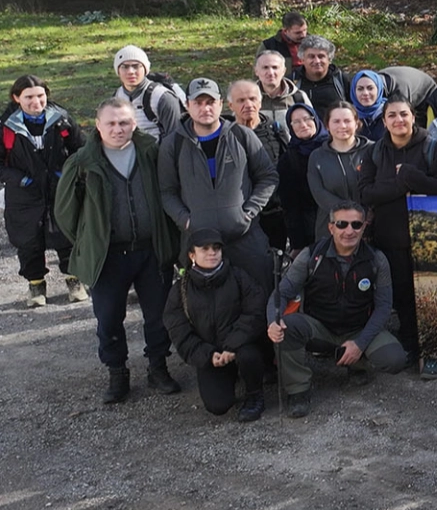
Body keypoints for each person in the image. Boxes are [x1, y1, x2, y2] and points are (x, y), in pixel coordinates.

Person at [56, 100, 182, 403]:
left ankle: (158, 367)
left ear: (134, 124)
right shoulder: (82, 162)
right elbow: (65, 213)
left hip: (152, 251)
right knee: (109, 317)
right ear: (97, 126)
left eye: (124, 122)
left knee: (158, 314)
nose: (118, 129)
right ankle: (117, 372)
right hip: (109, 256)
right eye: (111, 123)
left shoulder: (151, 152)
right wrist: (91, 240)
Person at [267, 203, 410, 418]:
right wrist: (273, 320)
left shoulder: (377, 260)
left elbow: (383, 308)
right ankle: (297, 390)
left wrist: (360, 344)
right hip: (319, 327)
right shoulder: (310, 256)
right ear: (331, 227)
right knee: (288, 327)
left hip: (358, 328)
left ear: (364, 227)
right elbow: (281, 292)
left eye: (356, 224)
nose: (349, 230)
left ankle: (358, 364)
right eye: (342, 224)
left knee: (394, 358)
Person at [358, 95, 437, 372]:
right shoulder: (374, 152)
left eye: (403, 114)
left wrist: (412, 175)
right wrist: (402, 184)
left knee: (432, 296)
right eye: (392, 116)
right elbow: (365, 193)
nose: (399, 120)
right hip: (391, 237)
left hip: (429, 238)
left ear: (414, 117)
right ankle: (411, 345)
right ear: (384, 121)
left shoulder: (431, 148)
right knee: (403, 297)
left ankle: (435, 349)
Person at [158, 78, 278, 290]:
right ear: (188, 105)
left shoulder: (242, 135)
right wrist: (186, 221)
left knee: (259, 300)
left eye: (210, 102)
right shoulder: (173, 144)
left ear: (221, 104)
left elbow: (268, 176)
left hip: (245, 237)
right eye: (198, 102)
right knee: (208, 311)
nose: (205, 108)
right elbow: (167, 191)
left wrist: (249, 212)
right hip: (199, 242)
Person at [162, 228, 268, 421]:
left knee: (249, 356)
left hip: (240, 347)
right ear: (192, 254)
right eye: (205, 249)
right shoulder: (181, 289)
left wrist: (233, 345)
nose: (212, 253)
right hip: (210, 355)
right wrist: (208, 355)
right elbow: (178, 330)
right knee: (218, 406)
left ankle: (255, 394)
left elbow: (256, 311)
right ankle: (229, 379)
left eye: (216, 248)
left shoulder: (238, 277)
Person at [3, 75, 85, 306]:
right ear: (16, 98)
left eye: (40, 96)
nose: (36, 102)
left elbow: (82, 150)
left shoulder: (62, 120)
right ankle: (36, 285)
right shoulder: (7, 126)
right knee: (28, 241)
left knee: (66, 234)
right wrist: (20, 179)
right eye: (28, 97)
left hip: (60, 190)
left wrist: (68, 174)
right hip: (23, 195)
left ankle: (74, 280)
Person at [226, 80, 287, 253]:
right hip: (239, 216)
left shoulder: (276, 131)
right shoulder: (224, 136)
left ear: (260, 102)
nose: (248, 105)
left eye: (253, 99)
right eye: (241, 100)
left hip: (275, 214)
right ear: (230, 105)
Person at [307, 102, 372, 222]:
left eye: (347, 121)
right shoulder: (317, 156)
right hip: (331, 225)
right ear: (327, 125)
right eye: (336, 121)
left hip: (370, 223)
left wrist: (365, 213)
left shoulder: (372, 151)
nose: (342, 126)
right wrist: (349, 213)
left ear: (356, 123)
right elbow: (319, 193)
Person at [277, 103, 326, 253]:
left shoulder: (332, 147)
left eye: (307, 119)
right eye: (296, 122)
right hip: (309, 230)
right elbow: (290, 205)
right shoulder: (288, 159)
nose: (303, 125)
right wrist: (297, 244)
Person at [113, 44, 184, 141]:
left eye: (136, 66)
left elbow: (176, 139)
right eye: (124, 67)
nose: (130, 71)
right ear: (118, 71)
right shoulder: (116, 97)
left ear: (145, 69)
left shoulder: (162, 97)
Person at [253, 49, 312, 138]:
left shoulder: (298, 97)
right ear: (256, 71)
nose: (270, 73)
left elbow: (312, 129)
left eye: (275, 67)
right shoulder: (248, 98)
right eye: (265, 67)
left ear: (284, 71)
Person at [293, 36, 347, 122]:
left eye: (321, 56)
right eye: (311, 57)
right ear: (302, 60)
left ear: (329, 59)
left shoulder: (342, 81)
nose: (317, 61)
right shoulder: (292, 82)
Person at [348, 69, 388, 142]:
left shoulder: (390, 112)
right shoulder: (348, 115)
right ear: (354, 91)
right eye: (360, 89)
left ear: (379, 89)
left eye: (370, 88)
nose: (365, 93)